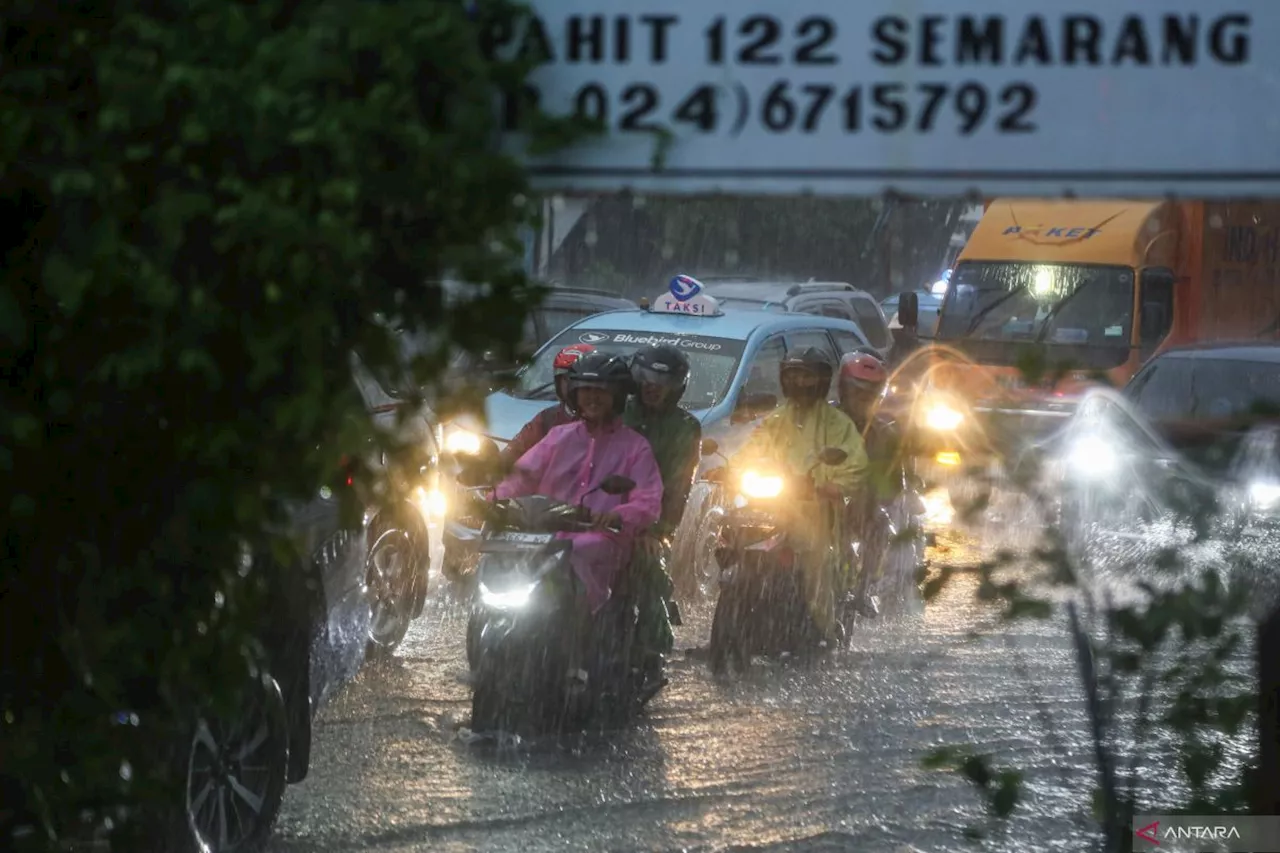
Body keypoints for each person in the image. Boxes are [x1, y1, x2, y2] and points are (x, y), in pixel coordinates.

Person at [493, 352, 664, 670]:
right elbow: (521, 477)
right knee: (499, 554)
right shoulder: (558, 437)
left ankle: (577, 642)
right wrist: (493, 500)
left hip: (601, 539)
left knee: (579, 551)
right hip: (544, 534)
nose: (592, 398)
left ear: (617, 396)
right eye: (586, 390)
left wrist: (617, 514)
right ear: (574, 394)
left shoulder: (635, 446)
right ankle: (490, 637)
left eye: (600, 391)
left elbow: (648, 500)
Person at [728, 347, 868, 640]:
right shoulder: (775, 421)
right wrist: (728, 471)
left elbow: (855, 462)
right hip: (771, 507)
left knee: (817, 566)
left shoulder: (838, 423)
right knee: (733, 540)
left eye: (807, 376)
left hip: (815, 510)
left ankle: (825, 629)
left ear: (820, 381)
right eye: (794, 375)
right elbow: (750, 452)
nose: (800, 383)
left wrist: (831, 485)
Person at [623, 344, 701, 663]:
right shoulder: (615, 411)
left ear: (678, 387)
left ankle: (651, 650)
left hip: (647, 525)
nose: (651, 386)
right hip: (594, 515)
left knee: (648, 574)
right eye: (645, 377)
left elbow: (679, 485)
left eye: (662, 381)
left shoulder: (684, 427)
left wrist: (658, 531)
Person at [836, 351, 912, 614]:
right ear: (843, 390)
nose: (862, 401)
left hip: (856, 508)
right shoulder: (820, 420)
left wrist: (871, 495)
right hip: (808, 498)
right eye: (858, 393)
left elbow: (893, 485)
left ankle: (863, 588)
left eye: (869, 396)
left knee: (881, 525)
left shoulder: (885, 434)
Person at [499, 343, 594, 467]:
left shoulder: (613, 422)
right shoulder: (547, 419)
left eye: (575, 380)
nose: (569, 386)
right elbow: (513, 455)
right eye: (564, 379)